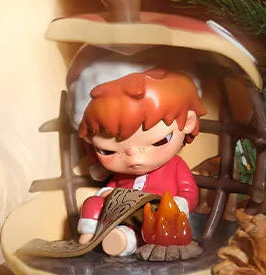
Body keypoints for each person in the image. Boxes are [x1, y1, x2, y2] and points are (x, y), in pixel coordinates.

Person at [76, 67, 206, 255]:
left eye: (160, 140)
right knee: (92, 202)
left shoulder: (175, 166)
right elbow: (113, 185)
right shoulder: (122, 175)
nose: (134, 158)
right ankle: (89, 235)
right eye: (108, 150)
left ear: (187, 123)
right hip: (119, 212)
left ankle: (123, 240)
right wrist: (106, 193)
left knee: (144, 228)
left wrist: (178, 204)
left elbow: (189, 191)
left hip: (154, 213)